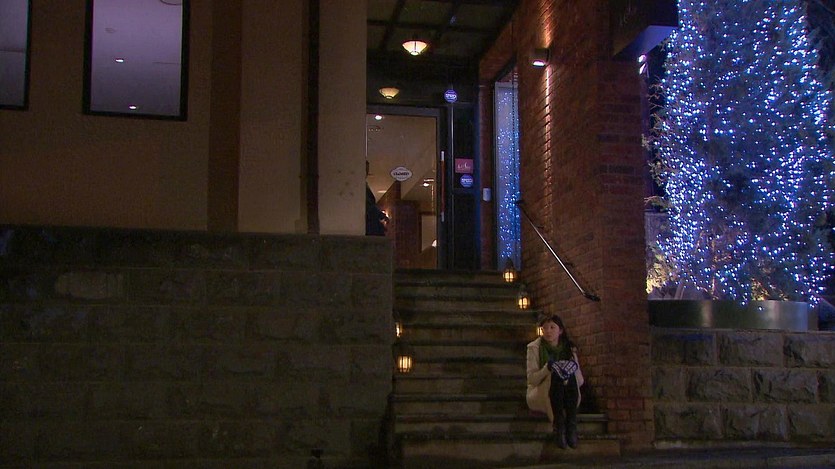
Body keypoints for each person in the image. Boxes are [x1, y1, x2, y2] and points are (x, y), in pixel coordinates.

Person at [526, 313, 584, 449]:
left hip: (567, 394)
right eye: (545, 328)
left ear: (560, 330)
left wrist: (571, 367)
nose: (548, 331)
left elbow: (580, 381)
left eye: (552, 327)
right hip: (541, 392)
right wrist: (547, 369)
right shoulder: (534, 348)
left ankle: (570, 425)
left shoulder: (568, 349)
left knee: (566, 373)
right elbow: (532, 380)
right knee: (555, 375)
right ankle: (560, 426)